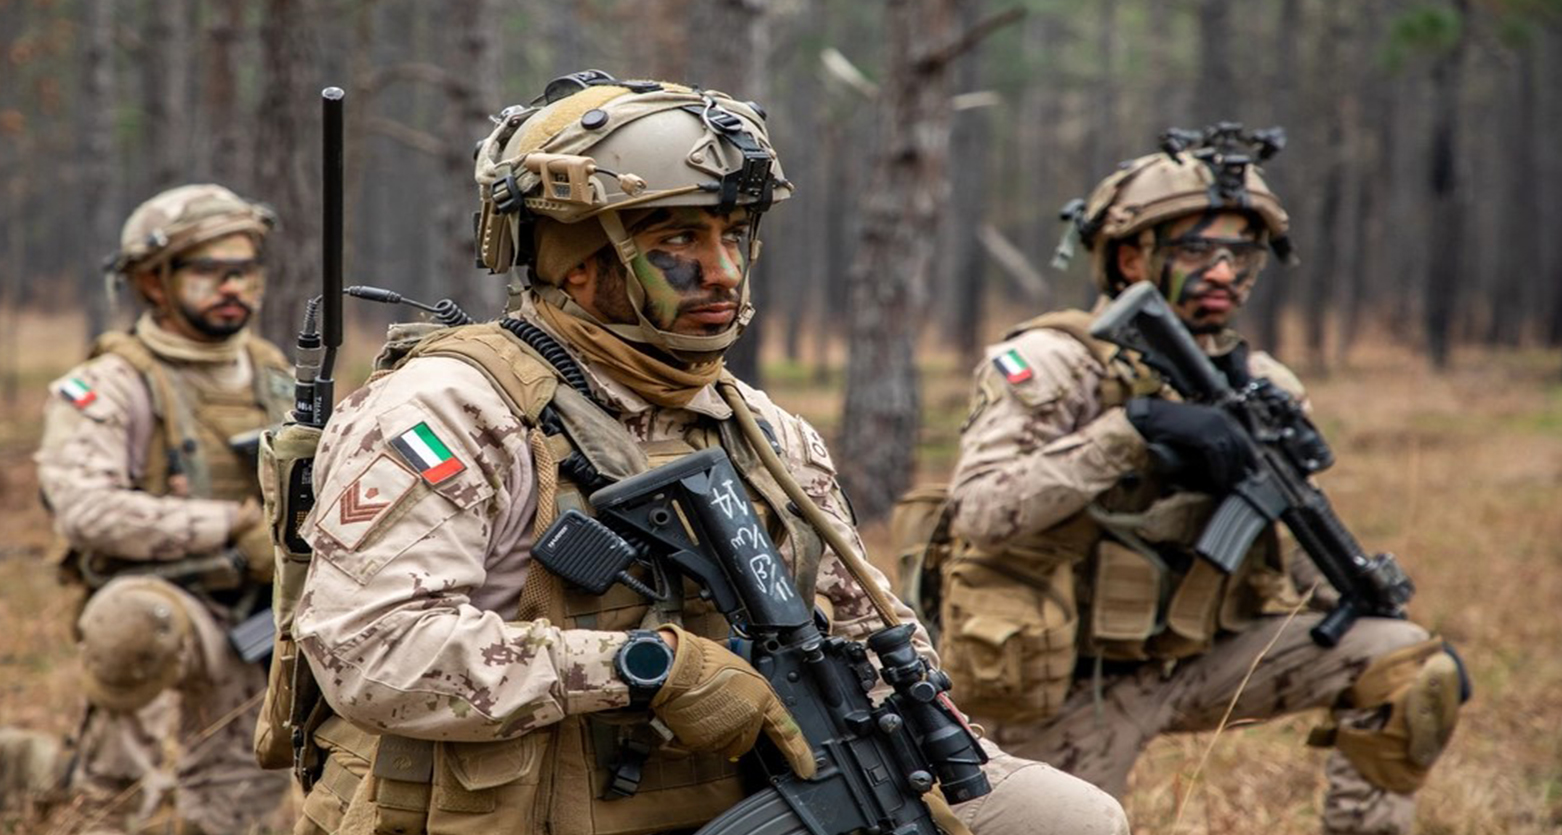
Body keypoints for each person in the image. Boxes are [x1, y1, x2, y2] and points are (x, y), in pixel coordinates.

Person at [286, 72, 1128, 835]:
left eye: (734, 235)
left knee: (1069, 821)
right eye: (678, 242)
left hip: (747, 789)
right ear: (576, 263)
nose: (723, 272)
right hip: (514, 807)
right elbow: (370, 650)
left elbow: (867, 626)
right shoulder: (451, 410)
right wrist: (649, 667)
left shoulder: (760, 427)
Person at [938, 125, 1466, 834]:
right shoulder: (1056, 363)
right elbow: (979, 509)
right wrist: (1132, 431)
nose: (1223, 273)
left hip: (1200, 659)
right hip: (1064, 685)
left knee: (1408, 667)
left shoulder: (1264, 387)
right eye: (1195, 251)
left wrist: (1390, 627)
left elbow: (1303, 531)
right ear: (1130, 257)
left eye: (1241, 255)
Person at [25, 184, 293, 833]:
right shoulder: (113, 381)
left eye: (245, 270)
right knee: (132, 624)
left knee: (239, 804)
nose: (234, 286)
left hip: (257, 608)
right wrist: (231, 524)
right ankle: (102, 801)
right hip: (160, 599)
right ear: (152, 280)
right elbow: (85, 510)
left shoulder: (274, 374)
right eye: (208, 270)